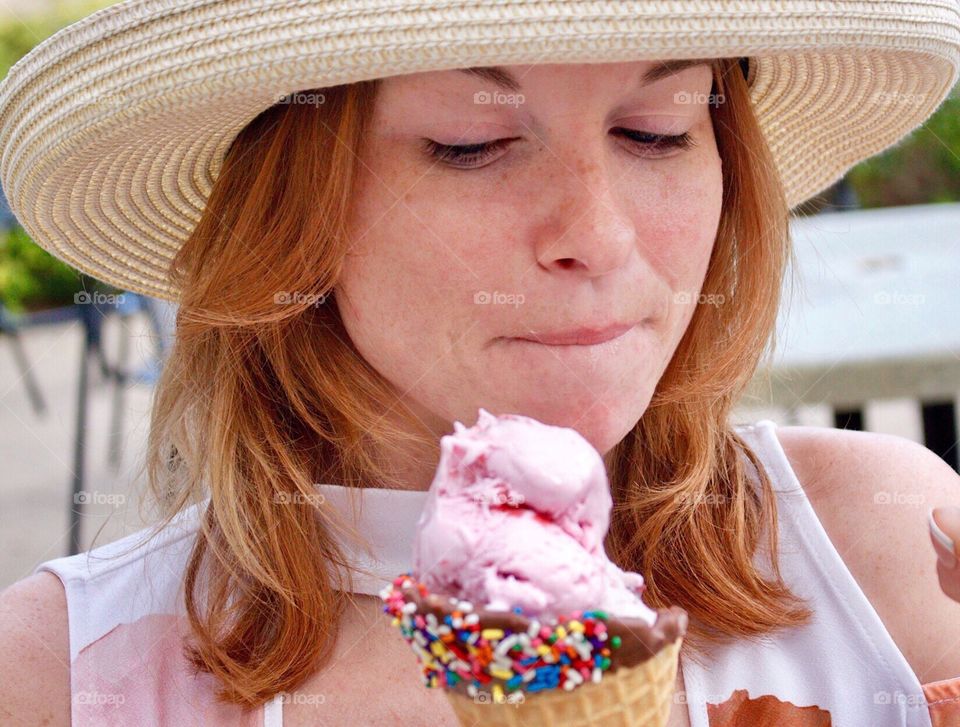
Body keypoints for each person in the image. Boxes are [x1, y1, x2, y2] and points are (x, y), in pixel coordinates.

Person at [0, 2, 958, 726]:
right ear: (288, 211)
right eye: (474, 143)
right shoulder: (58, 675)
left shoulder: (892, 554)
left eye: (657, 129)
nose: (597, 233)